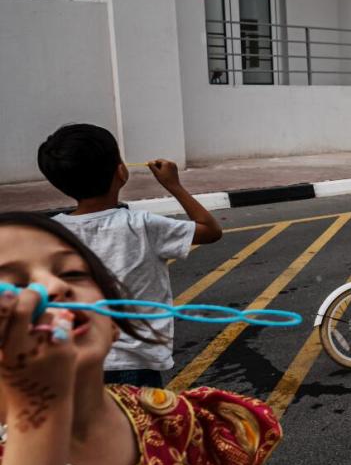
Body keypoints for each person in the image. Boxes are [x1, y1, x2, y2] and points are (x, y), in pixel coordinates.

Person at [0, 212, 304, 465]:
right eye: (15, 287)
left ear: (114, 325)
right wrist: (37, 408)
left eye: (72, 273)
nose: (53, 287)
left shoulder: (164, 415)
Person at [37, 124, 222, 388]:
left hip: (71, 361)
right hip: (131, 364)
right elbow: (211, 230)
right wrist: (174, 185)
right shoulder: (142, 225)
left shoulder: (50, 232)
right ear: (120, 171)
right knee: (136, 428)